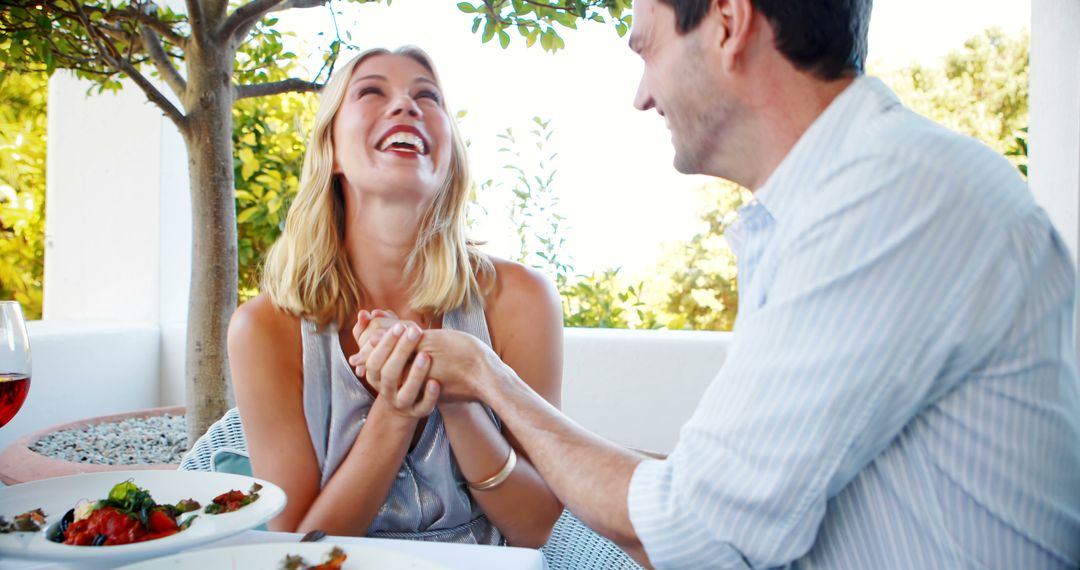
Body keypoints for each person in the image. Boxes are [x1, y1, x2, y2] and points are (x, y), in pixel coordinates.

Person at [355, 0, 1080, 567]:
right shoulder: (825, 208)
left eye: (647, 48)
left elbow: (694, 535)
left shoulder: (893, 198)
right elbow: (719, 490)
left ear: (728, 25)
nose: (641, 95)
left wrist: (486, 375)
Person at [227, 46, 564, 546]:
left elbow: (535, 528)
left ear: (448, 152)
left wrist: (459, 397)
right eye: (371, 91)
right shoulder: (263, 329)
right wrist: (397, 410)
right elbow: (299, 545)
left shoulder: (521, 301)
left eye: (427, 96)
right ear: (333, 149)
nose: (407, 106)